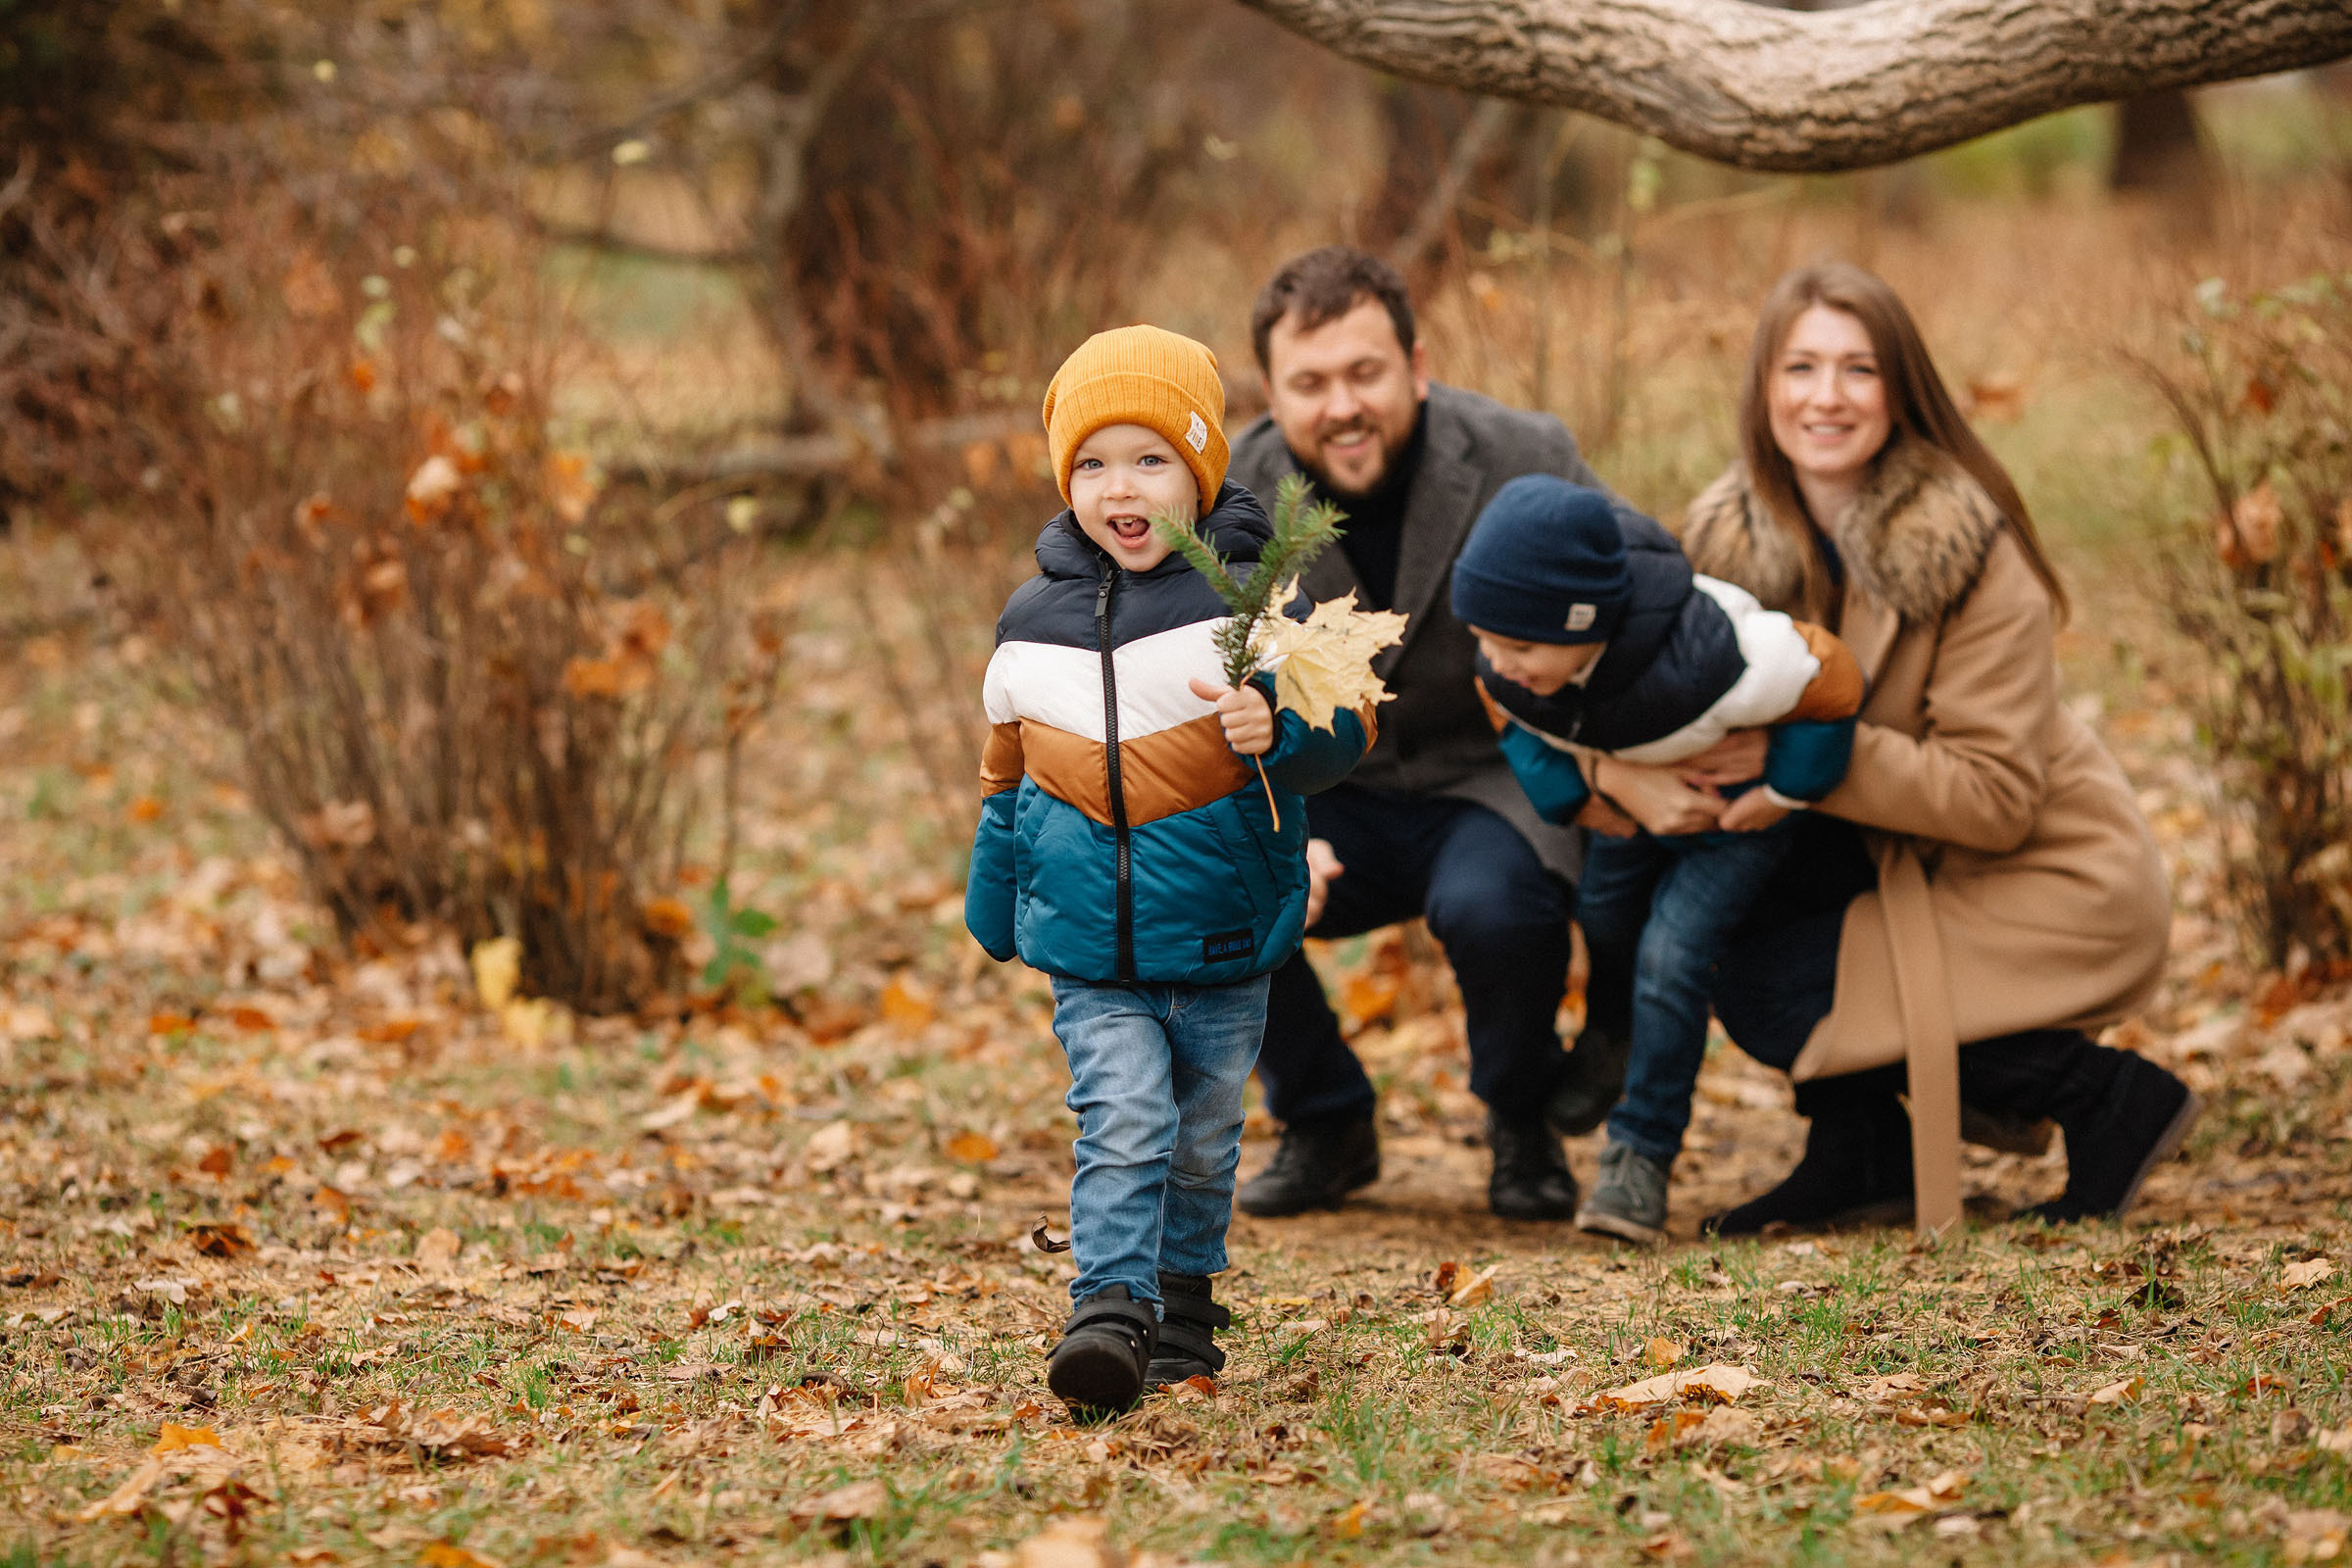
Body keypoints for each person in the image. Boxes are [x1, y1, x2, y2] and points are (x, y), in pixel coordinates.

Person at [1592, 261, 2194, 1235]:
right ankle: (1860, 1153)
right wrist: (1612, 771)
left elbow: (1994, 796)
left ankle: (2106, 1096)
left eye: (1859, 369)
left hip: (2039, 874)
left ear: (1901, 390)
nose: (1825, 397)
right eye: (1801, 368)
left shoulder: (1972, 552)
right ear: (1764, 390)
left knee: (1774, 988)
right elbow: (1626, 699)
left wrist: (1794, 754)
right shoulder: (1723, 547)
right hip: (1889, 854)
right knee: (1720, 902)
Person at [964, 324, 1371, 1413]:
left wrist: (1277, 726)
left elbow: (1346, 728)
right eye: (1093, 464)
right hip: (1089, 944)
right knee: (1125, 1118)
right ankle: (1107, 1310)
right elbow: (1008, 770)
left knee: (1200, 1137)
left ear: (1200, 472)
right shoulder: (1032, 621)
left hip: (1222, 931)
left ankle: (1182, 1304)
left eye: (1151, 459)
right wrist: (995, 889)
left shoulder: (1251, 605)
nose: (1121, 488)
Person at [1224, 246, 1651, 1222]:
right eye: (1310, 384)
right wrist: (1261, 815)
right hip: (1317, 781)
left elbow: (1643, 585)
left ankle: (1521, 1117)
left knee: (1497, 908)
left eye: (1365, 373)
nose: (1343, 406)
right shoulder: (1228, 493)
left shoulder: (1522, 454)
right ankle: (1325, 1120)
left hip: (1490, 774)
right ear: (1271, 393)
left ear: (1417, 366)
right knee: (1217, 877)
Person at [1451, 474, 1863, 1244]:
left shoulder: (1722, 659)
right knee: (1603, 917)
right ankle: (1613, 1037)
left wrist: (1783, 790)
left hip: (1730, 824)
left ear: (1584, 621)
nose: (1499, 663)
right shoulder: (1513, 668)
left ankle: (1640, 1154)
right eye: (1485, 639)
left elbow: (1833, 678)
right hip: (1630, 817)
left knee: (1673, 957)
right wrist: (1580, 797)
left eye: (1519, 647)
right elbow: (1508, 715)